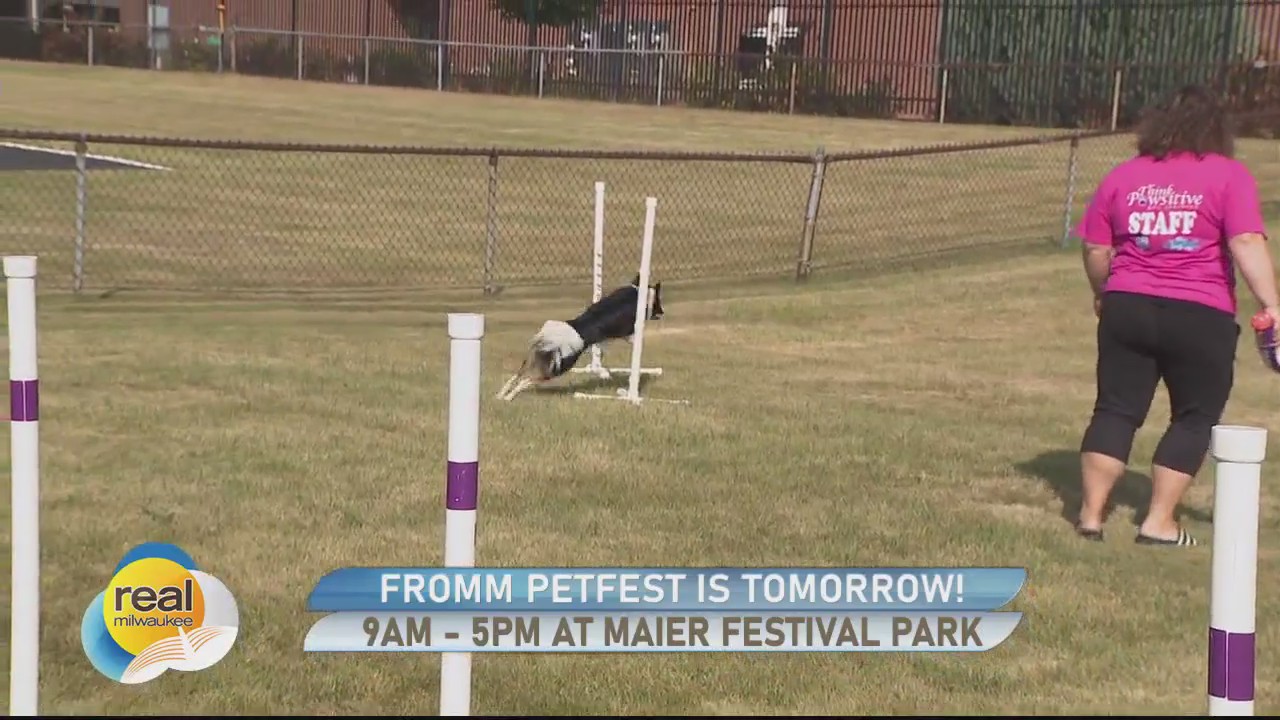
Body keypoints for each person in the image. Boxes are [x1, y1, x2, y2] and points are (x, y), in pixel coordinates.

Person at [1072, 84, 1280, 547]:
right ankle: (1158, 523)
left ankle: (1090, 517)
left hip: (1126, 305)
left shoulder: (1123, 175)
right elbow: (1245, 242)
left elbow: (1095, 247)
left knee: (1116, 408)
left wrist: (1103, 292)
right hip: (1200, 312)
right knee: (1194, 414)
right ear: (1218, 130)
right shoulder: (1228, 175)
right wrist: (1273, 304)